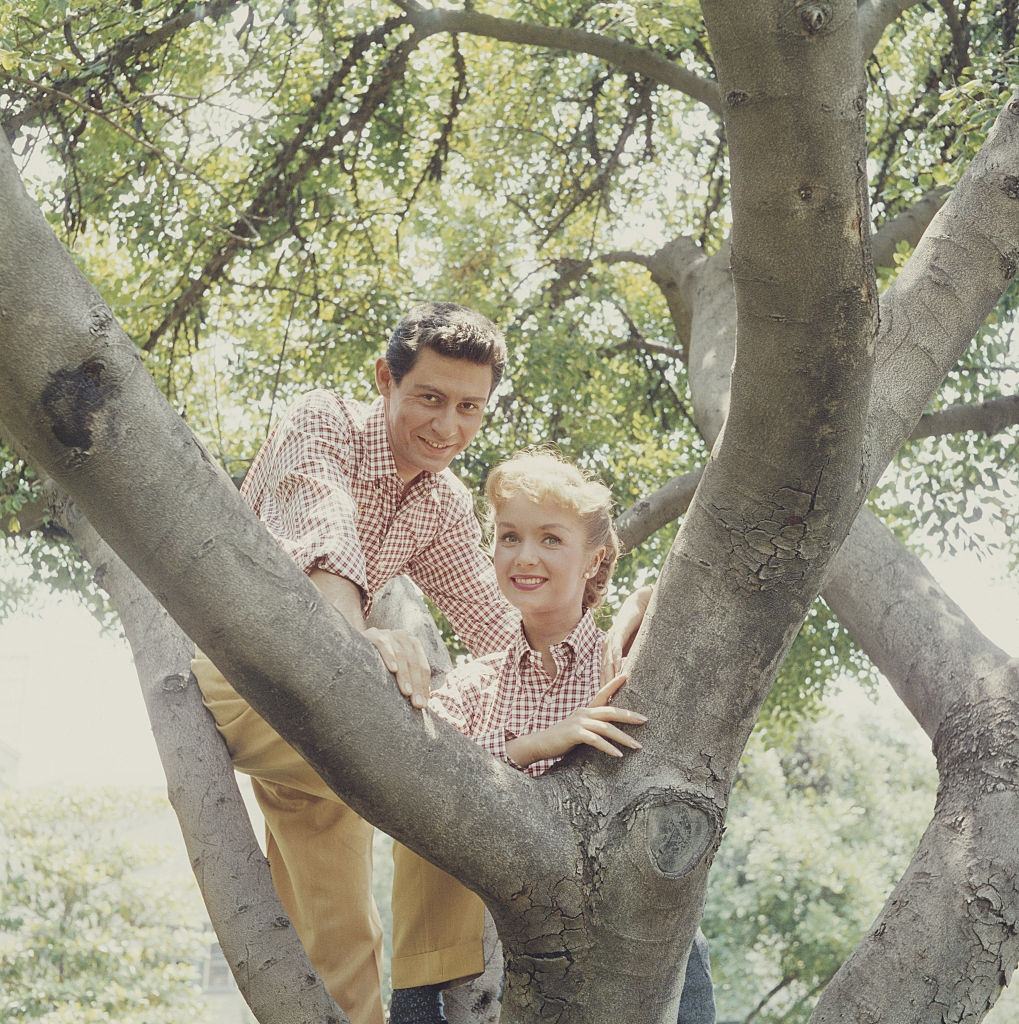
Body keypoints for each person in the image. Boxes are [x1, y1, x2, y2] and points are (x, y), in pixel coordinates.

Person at [191, 303, 648, 1024]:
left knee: (342, 953)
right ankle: (435, 996)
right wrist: (355, 646)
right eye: (430, 399)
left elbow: (498, 623)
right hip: (252, 675)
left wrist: (603, 654)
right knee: (445, 771)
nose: (447, 427)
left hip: (332, 740)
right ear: (387, 380)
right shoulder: (324, 423)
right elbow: (325, 529)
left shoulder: (439, 501)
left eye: (470, 408)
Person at [390, 450, 715, 1024]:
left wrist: (643, 603)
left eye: (550, 539)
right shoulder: (472, 685)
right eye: (509, 536)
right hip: (485, 958)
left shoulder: (628, 666)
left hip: (629, 945)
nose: (525, 556)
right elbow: (418, 777)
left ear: (595, 560)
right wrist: (537, 744)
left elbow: (687, 599)